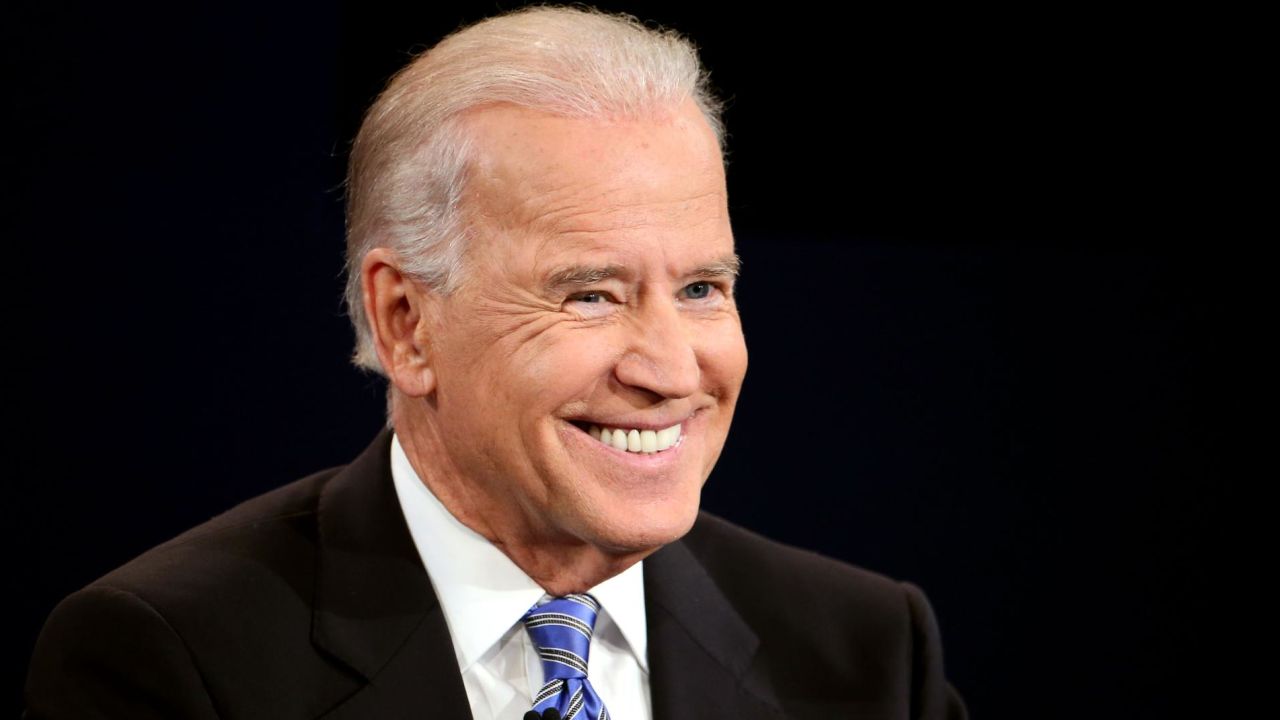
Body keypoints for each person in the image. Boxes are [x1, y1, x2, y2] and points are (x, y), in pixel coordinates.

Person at [25, 6, 966, 719]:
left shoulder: (869, 658)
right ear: (407, 323)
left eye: (700, 289)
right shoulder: (170, 660)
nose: (671, 369)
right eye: (590, 293)